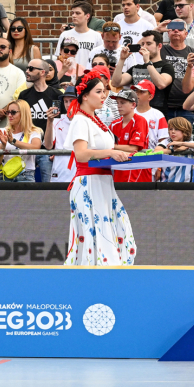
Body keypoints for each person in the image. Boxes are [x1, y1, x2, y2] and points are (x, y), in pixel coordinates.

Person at [64, 69, 136, 265]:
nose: (104, 95)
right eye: (98, 91)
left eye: (104, 90)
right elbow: (81, 154)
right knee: (93, 237)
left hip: (103, 183)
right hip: (88, 183)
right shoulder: (80, 120)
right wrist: (110, 153)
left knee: (114, 232)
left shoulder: (96, 121)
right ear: (85, 96)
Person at [19, 58, 62, 182]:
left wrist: (58, 150)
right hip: (28, 148)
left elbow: (61, 124)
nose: (27, 71)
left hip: (48, 151)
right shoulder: (24, 95)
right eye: (27, 68)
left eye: (31, 68)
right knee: (25, 187)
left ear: (43, 72)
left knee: (49, 188)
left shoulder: (57, 95)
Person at [111, 30, 173, 109]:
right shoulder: (136, 67)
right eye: (143, 44)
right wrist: (122, 59)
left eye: (149, 44)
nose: (144, 47)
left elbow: (161, 84)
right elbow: (116, 83)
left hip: (158, 113)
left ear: (159, 46)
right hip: (136, 111)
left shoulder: (167, 67)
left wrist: (147, 62)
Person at [0, 98, 44, 183]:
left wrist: (13, 141)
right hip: (4, 176)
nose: (9, 115)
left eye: (13, 112)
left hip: (25, 175)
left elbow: (36, 147)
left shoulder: (34, 131)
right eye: (7, 112)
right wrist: (3, 146)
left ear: (24, 113)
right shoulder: (2, 132)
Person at [107, 89, 148, 183]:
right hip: (119, 169)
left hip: (137, 170)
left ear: (133, 105)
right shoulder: (114, 124)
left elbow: (133, 148)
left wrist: (111, 148)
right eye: (117, 103)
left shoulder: (140, 121)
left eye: (123, 102)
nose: (119, 106)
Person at [57, 0, 102, 69]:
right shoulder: (65, 35)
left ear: (87, 16)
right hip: (68, 74)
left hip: (89, 74)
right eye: (73, 13)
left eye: (78, 13)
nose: (74, 16)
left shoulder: (96, 36)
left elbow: (100, 59)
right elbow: (59, 56)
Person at [46, 89, 78, 184]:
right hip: (60, 170)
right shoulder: (56, 121)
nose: (68, 105)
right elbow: (48, 146)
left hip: (79, 170)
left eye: (72, 101)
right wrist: (49, 121)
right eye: (65, 101)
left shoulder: (86, 121)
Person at [159, 118, 194, 183]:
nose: (173, 131)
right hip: (166, 185)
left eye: (176, 129)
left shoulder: (190, 143)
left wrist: (182, 144)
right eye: (171, 129)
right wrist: (173, 150)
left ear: (185, 131)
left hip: (185, 186)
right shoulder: (166, 142)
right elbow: (156, 151)